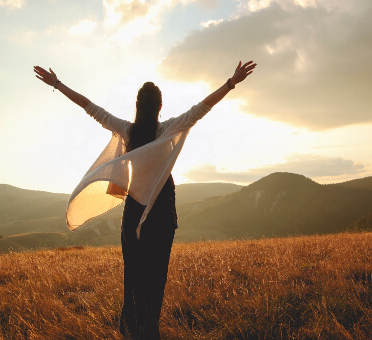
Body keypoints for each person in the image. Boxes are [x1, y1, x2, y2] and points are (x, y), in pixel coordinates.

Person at [33, 60, 256, 339]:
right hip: (162, 209)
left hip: (135, 210)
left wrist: (57, 84)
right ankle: (150, 329)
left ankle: (131, 330)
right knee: (156, 274)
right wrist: (230, 83)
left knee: (134, 274)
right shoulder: (167, 130)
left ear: (137, 105)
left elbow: (90, 107)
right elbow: (202, 108)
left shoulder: (127, 130)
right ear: (160, 107)